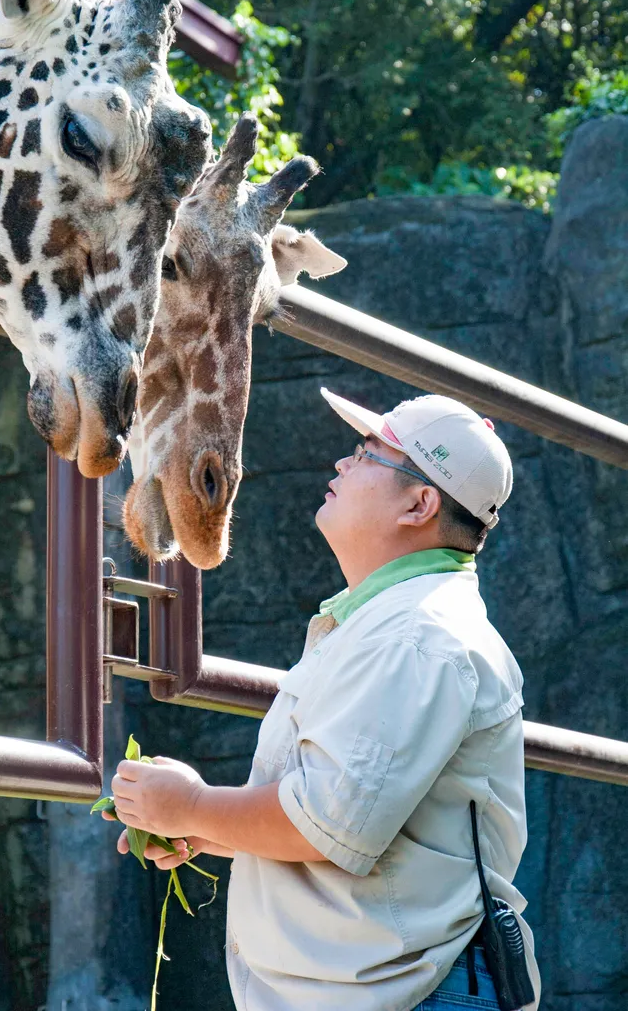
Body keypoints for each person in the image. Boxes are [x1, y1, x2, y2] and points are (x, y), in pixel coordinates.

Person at [106, 388, 540, 1011]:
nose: (341, 464)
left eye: (368, 454)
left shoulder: (417, 639)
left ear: (421, 504)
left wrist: (196, 807)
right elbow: (364, 826)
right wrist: (202, 826)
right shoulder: (393, 624)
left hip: (412, 994)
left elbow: (328, 825)